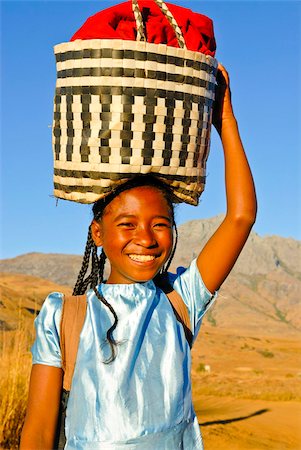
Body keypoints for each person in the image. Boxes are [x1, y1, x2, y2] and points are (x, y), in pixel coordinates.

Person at [20, 64, 257, 450]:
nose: (144, 239)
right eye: (127, 225)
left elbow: (241, 216)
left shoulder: (180, 301)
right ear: (98, 234)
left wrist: (225, 120)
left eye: (159, 224)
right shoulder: (64, 317)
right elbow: (38, 433)